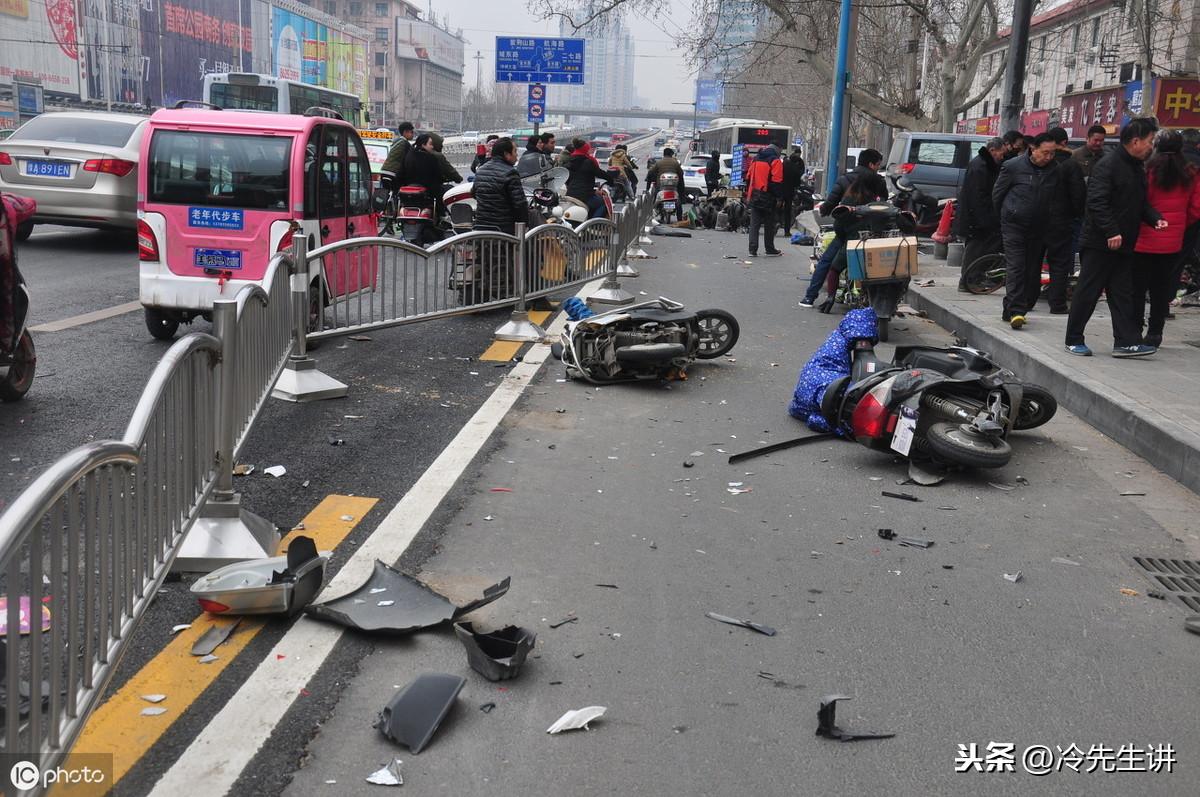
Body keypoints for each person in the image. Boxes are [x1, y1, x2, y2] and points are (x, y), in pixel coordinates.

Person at [1065, 117, 1166, 358]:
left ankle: (1126, 341)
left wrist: (1154, 218)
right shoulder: (1108, 165)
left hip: (1124, 243)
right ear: (1135, 141)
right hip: (1100, 242)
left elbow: (1140, 203)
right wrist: (1111, 230)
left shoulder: (1136, 167)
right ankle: (1073, 338)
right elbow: (1097, 202)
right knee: (1088, 292)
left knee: (1122, 293)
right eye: (1150, 141)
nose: (1152, 146)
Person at [1132, 131, 1200, 347]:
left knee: (1138, 288)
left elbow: (1139, 202)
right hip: (1173, 240)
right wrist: (1180, 223)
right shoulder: (1191, 173)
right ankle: (1155, 333)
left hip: (1143, 238)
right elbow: (1196, 207)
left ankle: (1134, 328)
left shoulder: (1147, 170)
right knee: (1161, 287)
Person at [799, 149, 887, 307]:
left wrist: (824, 210)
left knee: (827, 262)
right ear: (871, 164)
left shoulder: (845, 179)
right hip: (869, 232)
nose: (878, 168)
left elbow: (830, 204)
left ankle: (809, 297)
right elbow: (884, 203)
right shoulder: (878, 181)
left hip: (845, 230)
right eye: (878, 165)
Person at [992, 132, 1062, 329]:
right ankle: (1017, 310)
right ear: (1033, 148)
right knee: (1016, 266)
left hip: (1039, 227)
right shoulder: (1013, 167)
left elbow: (1057, 199)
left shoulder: (1055, 170)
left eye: (1052, 153)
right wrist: (1005, 217)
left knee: (1032, 269)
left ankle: (1012, 308)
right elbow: (997, 196)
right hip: (1014, 224)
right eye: (1045, 153)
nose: (1049, 157)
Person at [1043, 126, 1087, 313]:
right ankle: (1057, 302)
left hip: (1038, 219)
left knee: (1032, 259)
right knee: (1060, 263)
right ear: (1064, 143)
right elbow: (1079, 196)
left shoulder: (1040, 163)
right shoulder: (1071, 165)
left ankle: (1026, 299)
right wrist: (1077, 215)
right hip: (1063, 220)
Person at [955, 137, 1006, 291]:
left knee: (980, 250)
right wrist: (984, 220)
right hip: (976, 218)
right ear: (992, 151)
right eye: (1000, 154)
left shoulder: (986, 164)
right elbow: (978, 196)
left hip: (980, 216)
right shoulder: (980, 166)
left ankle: (974, 278)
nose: (1002, 157)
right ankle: (967, 281)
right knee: (974, 250)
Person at [473, 137, 531, 235]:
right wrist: (525, 225)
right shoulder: (511, 172)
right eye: (515, 151)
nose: (517, 155)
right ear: (507, 154)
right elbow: (520, 205)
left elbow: (474, 193)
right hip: (503, 230)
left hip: (481, 228)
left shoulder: (481, 170)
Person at [745, 145, 785, 256]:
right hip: (768, 196)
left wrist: (749, 193)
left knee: (754, 224)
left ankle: (752, 250)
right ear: (778, 150)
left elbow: (748, 177)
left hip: (755, 195)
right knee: (769, 224)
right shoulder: (775, 161)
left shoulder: (756, 159)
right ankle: (769, 249)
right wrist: (779, 198)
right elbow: (777, 181)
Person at [565, 138, 612, 219]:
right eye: (588, 150)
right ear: (585, 150)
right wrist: (611, 179)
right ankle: (593, 224)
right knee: (603, 203)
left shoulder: (569, 161)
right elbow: (600, 173)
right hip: (584, 196)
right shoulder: (588, 162)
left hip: (570, 193)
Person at [403, 133, 445, 214]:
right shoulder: (431, 158)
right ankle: (441, 214)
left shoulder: (408, 155)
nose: (432, 147)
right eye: (430, 144)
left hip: (409, 189)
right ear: (423, 145)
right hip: (427, 192)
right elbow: (438, 177)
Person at [646, 147, 685, 222]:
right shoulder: (675, 162)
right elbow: (681, 173)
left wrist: (649, 180)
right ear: (671, 154)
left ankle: (654, 212)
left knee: (655, 198)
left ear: (664, 154)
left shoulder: (659, 162)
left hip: (661, 186)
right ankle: (679, 218)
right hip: (673, 187)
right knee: (679, 200)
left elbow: (651, 172)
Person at [380, 121, 415, 186]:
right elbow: (409, 160)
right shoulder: (405, 143)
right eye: (411, 132)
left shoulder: (397, 141)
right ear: (405, 132)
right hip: (392, 173)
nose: (413, 134)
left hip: (384, 171)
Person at [781, 149, 806, 235]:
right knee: (788, 211)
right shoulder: (796, 169)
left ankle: (775, 223)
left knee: (776, 208)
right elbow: (797, 182)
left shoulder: (783, 164)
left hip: (780, 190)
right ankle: (787, 231)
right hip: (790, 192)